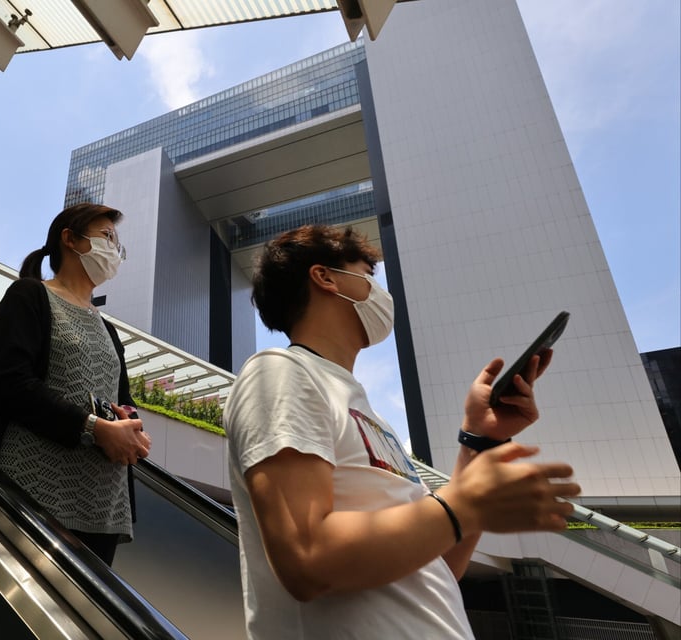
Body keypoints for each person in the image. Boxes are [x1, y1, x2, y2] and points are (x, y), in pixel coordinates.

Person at [224, 225, 581, 639]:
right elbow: (307, 559)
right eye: (368, 275)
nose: (379, 292)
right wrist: (462, 504)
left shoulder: (367, 413)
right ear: (325, 277)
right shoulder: (279, 373)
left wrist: (480, 441)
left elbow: (439, 562)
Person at [0, 203, 151, 566]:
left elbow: (124, 401)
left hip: (102, 506)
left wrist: (132, 429)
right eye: (107, 237)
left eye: (118, 243)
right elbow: (11, 384)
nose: (114, 250)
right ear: (70, 239)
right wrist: (93, 428)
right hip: (32, 487)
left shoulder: (109, 329)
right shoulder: (29, 296)